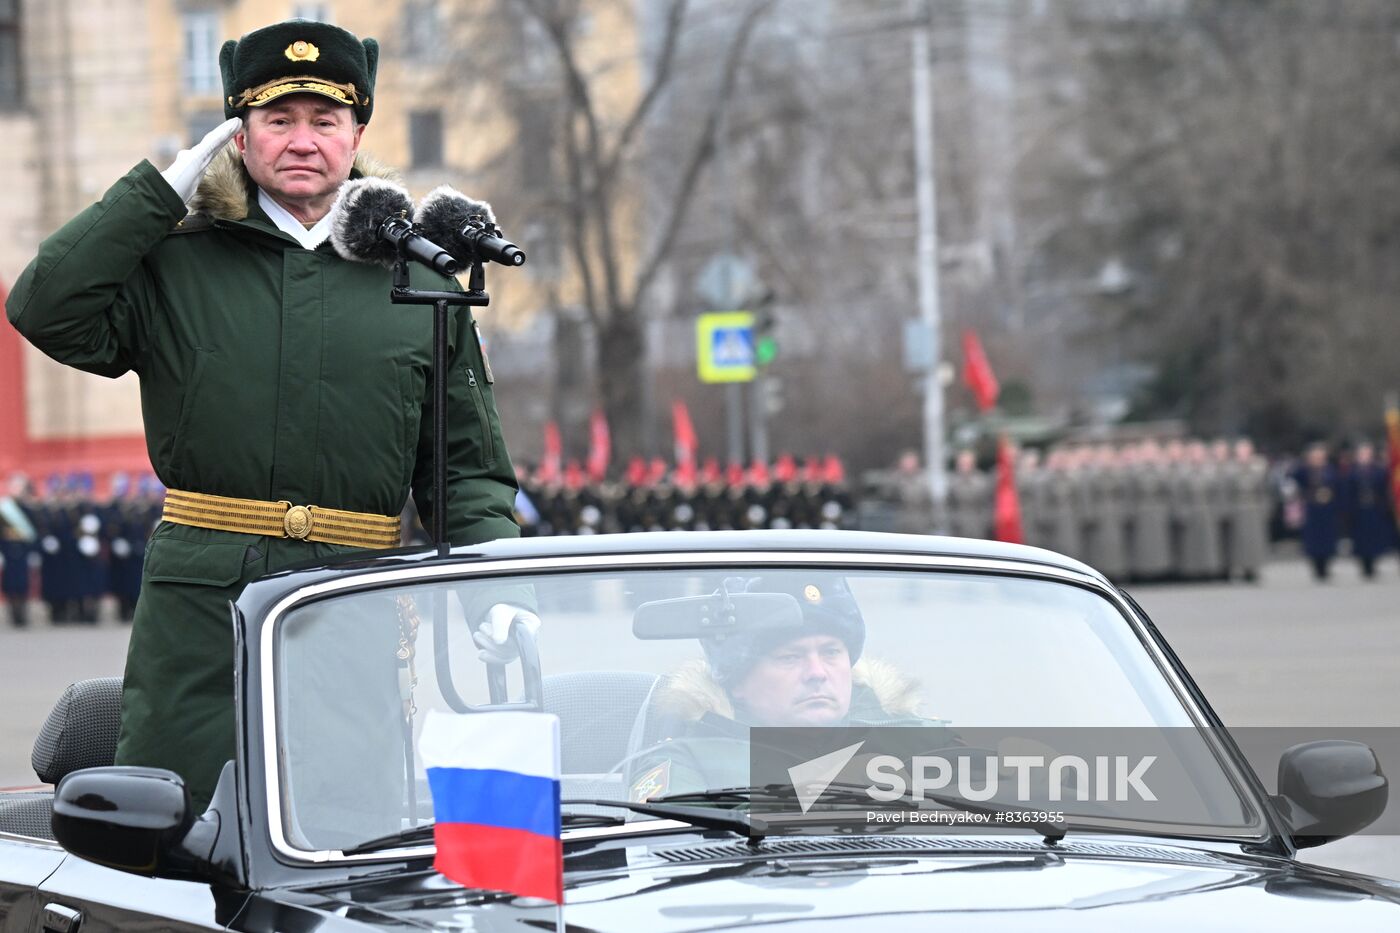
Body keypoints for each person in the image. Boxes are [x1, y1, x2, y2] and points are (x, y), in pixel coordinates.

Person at [5, 20, 529, 809]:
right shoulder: (179, 261)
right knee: (171, 829)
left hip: (351, 602)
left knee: (351, 828)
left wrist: (498, 581)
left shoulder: (418, 284)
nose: (302, 141)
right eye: (277, 121)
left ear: (357, 134)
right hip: (199, 613)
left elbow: (464, 466)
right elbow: (44, 307)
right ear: (239, 137)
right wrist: (157, 192)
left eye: (325, 121)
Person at [628, 574, 935, 801]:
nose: (817, 673)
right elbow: (675, 849)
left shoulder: (920, 742)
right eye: (790, 657)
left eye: (831, 652)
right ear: (737, 683)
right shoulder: (688, 761)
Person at [1341, 441, 1396, 579]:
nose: (1365, 456)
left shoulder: (1379, 471)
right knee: (1361, 539)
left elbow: (1385, 490)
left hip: (1374, 509)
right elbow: (1348, 492)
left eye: (1367, 453)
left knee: (1374, 539)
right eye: (1362, 454)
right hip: (1359, 510)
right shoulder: (1352, 472)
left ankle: (1373, 564)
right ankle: (1364, 564)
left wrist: (1386, 506)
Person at [1291, 443, 1340, 580]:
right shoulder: (1304, 470)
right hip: (1312, 508)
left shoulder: (1330, 470)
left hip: (1327, 509)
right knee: (1313, 540)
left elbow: (1337, 487)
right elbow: (1294, 480)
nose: (1318, 459)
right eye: (1315, 456)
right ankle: (1316, 566)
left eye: (1320, 456)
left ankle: (1326, 566)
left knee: (1327, 538)